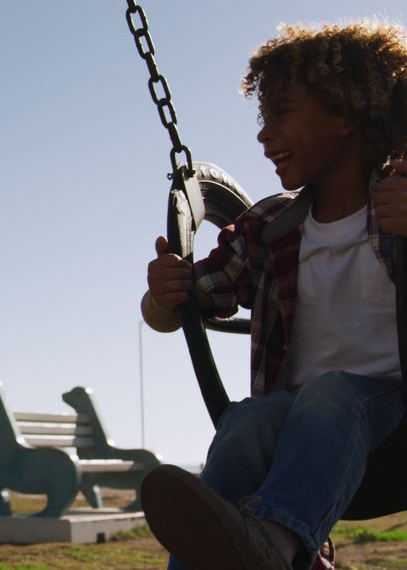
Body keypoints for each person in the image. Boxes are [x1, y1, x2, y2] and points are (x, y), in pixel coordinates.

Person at [140, 21, 407, 570]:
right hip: (298, 421)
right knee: (246, 422)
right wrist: (163, 298)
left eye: (282, 113)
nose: (263, 135)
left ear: (347, 114)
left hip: (392, 417)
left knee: (331, 394)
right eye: (263, 119)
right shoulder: (271, 224)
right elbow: (181, 310)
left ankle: (280, 548)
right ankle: (209, 556)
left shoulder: (399, 205)